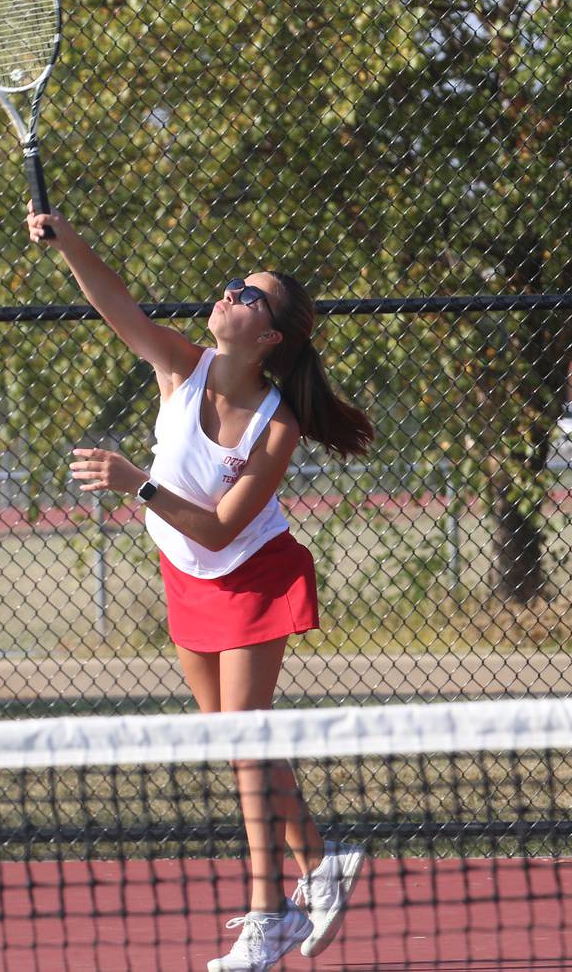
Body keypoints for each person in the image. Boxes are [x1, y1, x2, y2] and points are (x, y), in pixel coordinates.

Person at [29, 205, 374, 972]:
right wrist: (69, 240)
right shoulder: (180, 366)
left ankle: (268, 912)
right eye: (230, 286)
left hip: (252, 575)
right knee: (231, 740)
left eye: (247, 295)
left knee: (247, 743)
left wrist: (136, 482)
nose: (229, 295)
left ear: (269, 336)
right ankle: (323, 859)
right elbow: (112, 303)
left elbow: (221, 527)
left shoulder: (276, 426)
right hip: (185, 575)